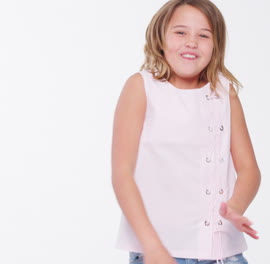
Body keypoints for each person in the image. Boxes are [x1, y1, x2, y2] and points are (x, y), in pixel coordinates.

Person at [111, 0, 261, 263]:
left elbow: (249, 170)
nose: (192, 42)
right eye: (181, 32)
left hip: (224, 254)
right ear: (160, 38)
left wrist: (235, 207)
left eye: (203, 35)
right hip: (163, 253)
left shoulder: (225, 93)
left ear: (215, 46)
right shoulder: (141, 88)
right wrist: (152, 247)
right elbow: (122, 174)